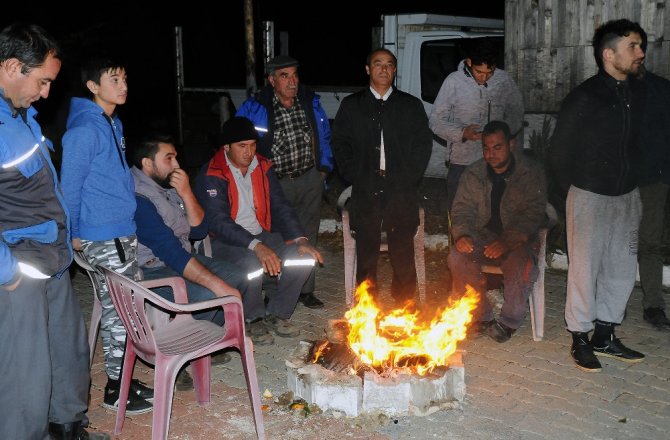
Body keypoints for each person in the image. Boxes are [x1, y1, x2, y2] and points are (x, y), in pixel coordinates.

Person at [0, 23, 109, 440]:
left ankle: (67, 427)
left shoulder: (23, 116)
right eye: (42, 81)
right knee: (24, 374)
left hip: (54, 257)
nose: (47, 93)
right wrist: (7, 272)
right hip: (19, 265)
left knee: (67, 351)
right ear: (12, 66)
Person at [549, 19, 647, 373]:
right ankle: (579, 337)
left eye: (640, 45)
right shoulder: (584, 97)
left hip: (627, 196)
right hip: (589, 195)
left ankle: (605, 336)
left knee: (621, 269)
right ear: (609, 54)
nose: (641, 53)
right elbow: (558, 153)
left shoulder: (638, 93)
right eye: (633, 46)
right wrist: (573, 192)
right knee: (584, 270)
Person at [60, 55, 153, 413]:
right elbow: (70, 186)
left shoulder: (111, 124)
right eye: (114, 79)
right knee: (119, 311)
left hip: (120, 230)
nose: (123, 85)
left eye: (125, 78)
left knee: (126, 308)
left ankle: (125, 377)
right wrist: (75, 232)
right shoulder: (84, 130)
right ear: (93, 86)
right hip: (102, 234)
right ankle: (116, 390)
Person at [195, 116, 323, 344]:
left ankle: (277, 312)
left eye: (252, 145)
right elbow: (218, 222)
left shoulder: (262, 167)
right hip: (223, 241)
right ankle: (253, 318)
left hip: (260, 234)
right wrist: (257, 246)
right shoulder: (212, 174)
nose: (249, 152)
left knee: (303, 258)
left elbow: (281, 205)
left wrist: (301, 238)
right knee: (251, 265)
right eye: (242, 146)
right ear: (226, 147)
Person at [131, 132, 258, 345]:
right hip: (151, 270)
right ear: (147, 163)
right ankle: (181, 346)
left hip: (180, 257)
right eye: (169, 158)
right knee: (210, 294)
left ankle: (208, 337)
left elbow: (198, 232)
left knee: (239, 276)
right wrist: (218, 286)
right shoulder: (138, 198)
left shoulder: (164, 184)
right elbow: (170, 252)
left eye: (176, 157)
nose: (177, 164)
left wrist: (186, 192)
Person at [331, 48, 433, 305]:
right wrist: (355, 174)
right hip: (366, 191)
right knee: (366, 255)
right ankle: (367, 308)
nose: (384, 69)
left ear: (395, 70)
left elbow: (423, 144)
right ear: (368, 69)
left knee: (402, 254)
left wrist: (408, 177)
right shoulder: (352, 106)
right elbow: (340, 143)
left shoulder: (410, 106)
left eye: (389, 65)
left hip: (401, 191)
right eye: (378, 64)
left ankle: (406, 307)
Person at [236, 55, 333, 309]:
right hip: (274, 184)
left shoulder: (309, 101)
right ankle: (277, 288)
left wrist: (323, 169)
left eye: (294, 75)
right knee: (276, 236)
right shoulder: (255, 107)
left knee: (307, 234)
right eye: (284, 76)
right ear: (271, 79)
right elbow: (237, 141)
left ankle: (306, 290)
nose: (292, 81)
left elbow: (323, 135)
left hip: (308, 178)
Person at [448, 121, 547, 342]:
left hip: (517, 237)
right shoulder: (474, 173)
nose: (491, 154)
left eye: (497, 147)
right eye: (486, 148)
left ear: (511, 144)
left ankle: (509, 321)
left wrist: (509, 240)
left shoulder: (529, 172)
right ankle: (480, 316)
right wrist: (462, 235)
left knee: (519, 264)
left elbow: (534, 212)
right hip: (482, 235)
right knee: (458, 257)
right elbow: (462, 209)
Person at [429, 37, 524, 213]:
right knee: (460, 212)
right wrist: (461, 132)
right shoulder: (453, 82)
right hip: (462, 161)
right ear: (469, 62)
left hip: (497, 161)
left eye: (490, 72)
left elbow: (517, 113)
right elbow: (435, 121)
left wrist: (503, 133)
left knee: (494, 213)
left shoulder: (504, 81)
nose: (484, 77)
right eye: (479, 72)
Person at [636, 67, 670, 331]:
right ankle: (612, 305)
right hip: (618, 183)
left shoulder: (661, 89)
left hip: (654, 181)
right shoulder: (610, 88)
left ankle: (654, 305)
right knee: (617, 245)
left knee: (650, 243)